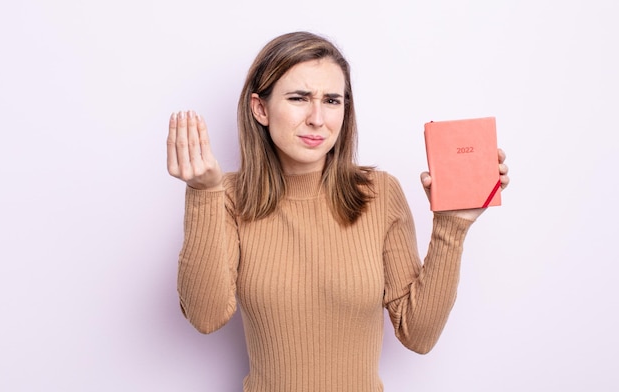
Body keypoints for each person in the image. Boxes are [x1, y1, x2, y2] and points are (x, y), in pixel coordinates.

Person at [166, 31, 509, 392]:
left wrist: (451, 226)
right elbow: (205, 316)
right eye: (299, 98)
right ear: (260, 108)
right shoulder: (230, 197)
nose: (318, 118)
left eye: (332, 100)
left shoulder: (378, 192)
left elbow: (418, 335)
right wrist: (204, 192)